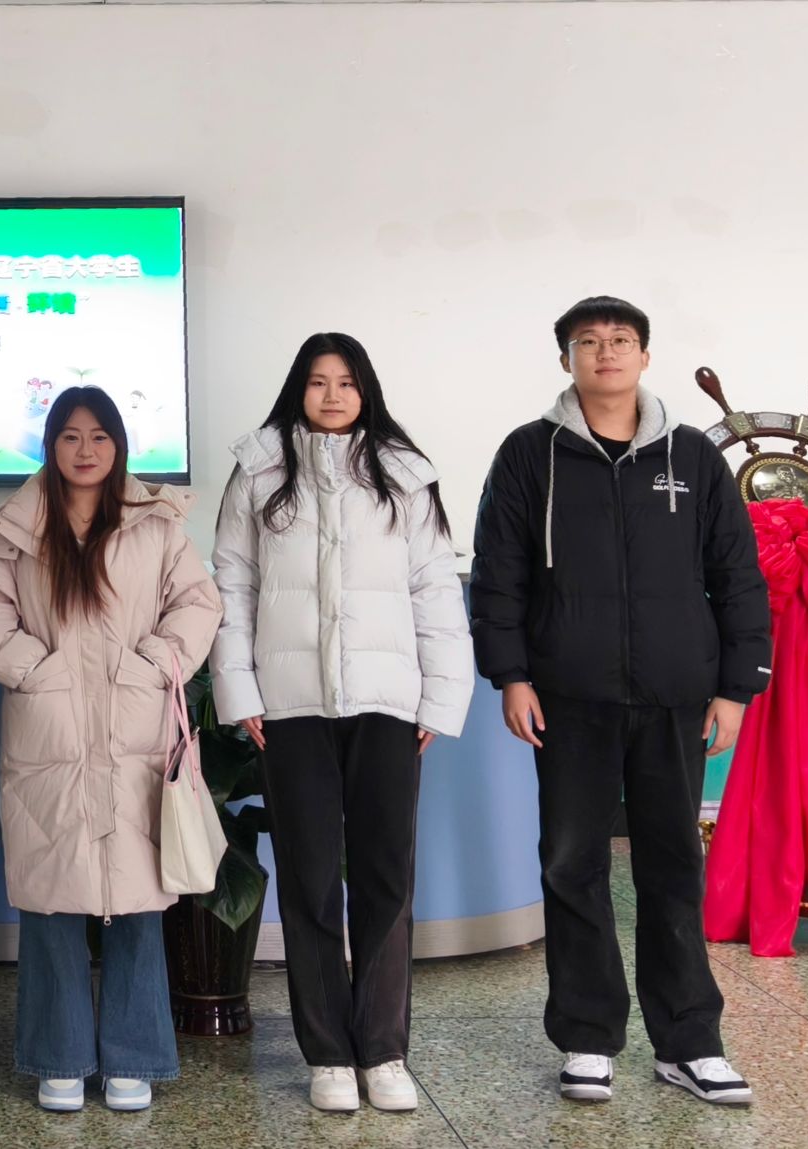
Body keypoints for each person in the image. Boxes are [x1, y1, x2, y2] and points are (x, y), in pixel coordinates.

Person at [470, 296, 771, 1107]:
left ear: (644, 356)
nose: (606, 352)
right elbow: (499, 571)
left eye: (621, 340)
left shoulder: (693, 455)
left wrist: (735, 687)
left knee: (674, 864)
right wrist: (512, 675)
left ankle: (690, 1041)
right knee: (572, 865)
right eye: (588, 342)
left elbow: (737, 575)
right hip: (569, 696)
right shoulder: (529, 453)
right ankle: (588, 1035)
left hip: (678, 695)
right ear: (565, 358)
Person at [210, 333, 472, 1113]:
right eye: (319, 381)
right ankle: (327, 1052)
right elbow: (233, 582)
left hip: (389, 703)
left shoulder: (404, 472)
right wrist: (241, 690)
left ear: (366, 391)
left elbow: (434, 586)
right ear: (298, 388)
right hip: (291, 706)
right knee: (311, 878)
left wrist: (439, 697)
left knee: (387, 875)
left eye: (347, 382)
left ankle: (384, 1049)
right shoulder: (259, 470)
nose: (332, 395)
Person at [0, 385, 222, 1115]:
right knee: (51, 894)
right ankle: (58, 1055)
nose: (85, 450)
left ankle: (133, 1056)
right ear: (50, 445)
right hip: (48, 731)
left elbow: (198, 602)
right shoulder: (16, 526)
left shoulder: (155, 524)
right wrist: (36, 670)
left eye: (99, 436)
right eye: (70, 436)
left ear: (119, 445)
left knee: (138, 896)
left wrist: (154, 663)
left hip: (134, 727)